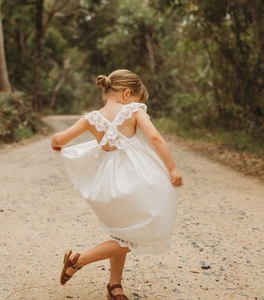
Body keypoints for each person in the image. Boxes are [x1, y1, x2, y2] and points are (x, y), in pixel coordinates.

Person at [51, 69, 183, 300]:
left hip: (106, 182)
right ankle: (77, 260)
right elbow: (155, 138)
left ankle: (115, 285)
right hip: (133, 180)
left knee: (120, 232)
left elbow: (58, 139)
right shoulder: (133, 110)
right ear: (127, 93)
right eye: (137, 98)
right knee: (139, 233)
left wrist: (57, 146)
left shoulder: (91, 118)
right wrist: (172, 168)